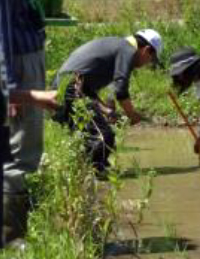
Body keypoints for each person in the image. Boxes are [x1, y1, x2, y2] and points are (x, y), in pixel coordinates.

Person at [0, 0, 59, 246]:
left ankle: (16, 226)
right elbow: (2, 33)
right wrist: (8, 89)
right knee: (19, 149)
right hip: (18, 65)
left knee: (29, 144)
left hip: (29, 59)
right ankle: (11, 237)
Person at [52, 29, 163, 173]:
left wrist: (105, 109)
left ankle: (86, 174)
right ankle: (95, 175)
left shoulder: (118, 45)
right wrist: (132, 115)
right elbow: (121, 89)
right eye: (151, 59)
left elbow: (87, 88)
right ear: (146, 50)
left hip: (69, 89)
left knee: (86, 140)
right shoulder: (127, 49)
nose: (148, 64)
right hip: (71, 88)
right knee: (103, 137)